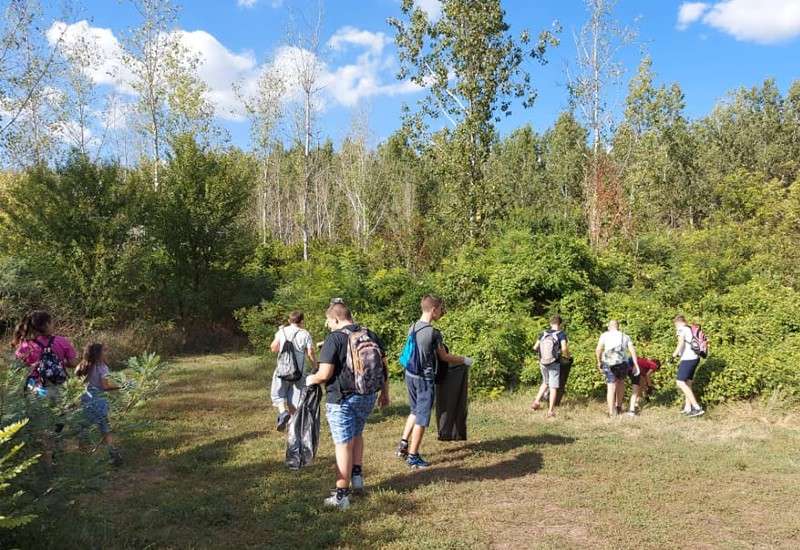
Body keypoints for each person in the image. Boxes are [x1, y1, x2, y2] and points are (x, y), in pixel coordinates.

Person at [305, 303, 389, 510]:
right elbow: (384, 366)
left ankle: (341, 496)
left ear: (335, 319)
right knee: (357, 435)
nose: (328, 325)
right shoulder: (369, 333)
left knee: (343, 444)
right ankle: (357, 479)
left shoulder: (334, 339)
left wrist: (310, 380)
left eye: (328, 321)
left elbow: (324, 375)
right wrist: (385, 393)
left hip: (342, 400)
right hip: (367, 395)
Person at [396, 295, 472, 468]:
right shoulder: (433, 333)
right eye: (440, 309)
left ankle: (403, 445)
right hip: (424, 379)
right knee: (422, 417)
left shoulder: (413, 326)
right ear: (433, 309)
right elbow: (444, 357)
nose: (441, 312)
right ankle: (413, 456)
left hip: (410, 375)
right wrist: (464, 360)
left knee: (414, 411)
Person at [75, 343, 122, 466]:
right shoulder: (102, 367)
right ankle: (113, 454)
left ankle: (83, 457)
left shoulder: (82, 366)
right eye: (104, 351)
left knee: (83, 427)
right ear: (98, 354)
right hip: (99, 401)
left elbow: (77, 381)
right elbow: (104, 386)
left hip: (85, 400)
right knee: (104, 428)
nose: (106, 353)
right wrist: (120, 386)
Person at [269, 311, 315, 432]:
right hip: (298, 372)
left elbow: (273, 348)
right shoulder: (305, 334)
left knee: (278, 393)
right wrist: (315, 366)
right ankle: (293, 426)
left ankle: (283, 412)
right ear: (302, 321)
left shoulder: (282, 331)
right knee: (294, 398)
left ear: (289, 321)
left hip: (282, 369)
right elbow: (310, 353)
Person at [595, 320, 640, 417]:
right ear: (618, 327)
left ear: (609, 327)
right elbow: (632, 350)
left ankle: (611, 412)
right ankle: (618, 407)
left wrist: (599, 362)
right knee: (620, 383)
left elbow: (598, 349)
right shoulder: (625, 336)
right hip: (622, 363)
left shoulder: (604, 335)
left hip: (608, 363)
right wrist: (636, 364)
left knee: (611, 387)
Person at [531, 315, 570, 418]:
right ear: (560, 324)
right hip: (554, 363)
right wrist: (567, 356)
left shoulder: (543, 333)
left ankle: (536, 402)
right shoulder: (561, 334)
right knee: (553, 387)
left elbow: (535, 347)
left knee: (545, 382)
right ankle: (550, 411)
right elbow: (564, 348)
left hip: (543, 362)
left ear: (550, 323)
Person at [673, 315, 705, 417]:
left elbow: (681, 342)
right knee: (688, 382)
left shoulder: (681, 329)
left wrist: (673, 355)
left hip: (688, 359)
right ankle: (688, 408)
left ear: (677, 323)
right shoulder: (690, 328)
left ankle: (697, 407)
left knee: (680, 382)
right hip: (695, 358)